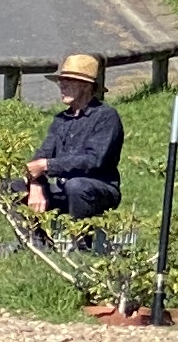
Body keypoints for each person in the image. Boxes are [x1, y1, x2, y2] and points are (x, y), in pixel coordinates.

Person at [17, 55, 125, 220]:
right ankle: (35, 235)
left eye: (69, 81)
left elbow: (93, 160)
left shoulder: (105, 116)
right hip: (63, 188)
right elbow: (42, 155)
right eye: (61, 81)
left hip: (98, 188)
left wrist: (48, 166)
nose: (63, 86)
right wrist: (36, 184)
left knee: (76, 186)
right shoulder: (61, 119)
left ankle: (79, 235)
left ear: (86, 86)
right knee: (13, 187)